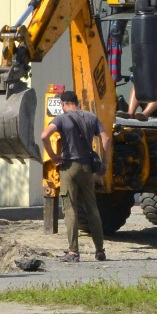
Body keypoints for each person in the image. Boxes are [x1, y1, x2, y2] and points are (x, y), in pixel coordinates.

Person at [41, 90, 113, 262]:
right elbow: (106, 139)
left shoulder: (61, 118)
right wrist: (105, 163)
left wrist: (52, 155)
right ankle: (100, 250)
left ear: (63, 104)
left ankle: (73, 252)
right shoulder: (91, 117)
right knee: (92, 208)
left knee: (70, 208)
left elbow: (45, 136)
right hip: (87, 167)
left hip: (69, 167)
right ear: (77, 102)